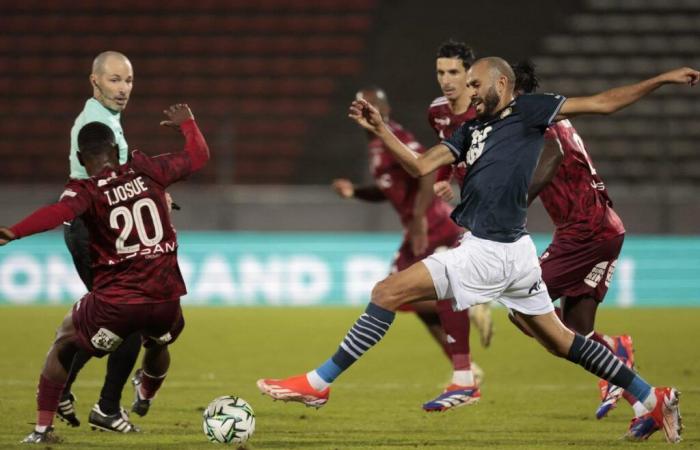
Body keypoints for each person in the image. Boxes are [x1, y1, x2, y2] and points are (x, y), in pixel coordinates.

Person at [258, 57, 696, 443]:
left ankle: (319, 382)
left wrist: (662, 78)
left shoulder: (529, 110)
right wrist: (381, 129)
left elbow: (604, 102)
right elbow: (419, 165)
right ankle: (649, 396)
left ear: (501, 84)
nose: (468, 91)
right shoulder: (471, 130)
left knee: (385, 292)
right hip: (514, 253)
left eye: (474, 83)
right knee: (563, 342)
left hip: (490, 252)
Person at [1, 103, 210, 444]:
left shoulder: (86, 190)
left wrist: (14, 231)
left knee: (65, 339)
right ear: (116, 149)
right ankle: (145, 392)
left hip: (120, 303)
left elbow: (58, 213)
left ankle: (43, 429)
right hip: (167, 297)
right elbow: (197, 157)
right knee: (159, 341)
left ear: (83, 160)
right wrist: (188, 123)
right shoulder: (147, 169)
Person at [332, 86, 481, 411]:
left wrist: (417, 219)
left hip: (430, 227)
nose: (362, 112)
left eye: (368, 107)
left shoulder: (394, 135)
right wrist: (354, 191)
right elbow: (387, 189)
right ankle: (465, 367)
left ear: (383, 111)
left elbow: (425, 170)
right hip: (418, 229)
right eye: (358, 107)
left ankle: (466, 307)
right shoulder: (376, 146)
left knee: (395, 296)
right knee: (409, 303)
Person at [511, 60, 640, 423]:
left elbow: (553, 154)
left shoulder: (528, 113)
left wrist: (516, 200)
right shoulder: (550, 114)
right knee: (577, 334)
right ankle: (643, 399)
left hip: (585, 231)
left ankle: (616, 356)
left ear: (508, 88)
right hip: (602, 228)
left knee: (524, 308)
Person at [59, 50, 144, 432]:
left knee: (113, 321)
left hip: (99, 230)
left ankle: (68, 390)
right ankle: (106, 409)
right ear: (94, 81)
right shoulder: (96, 123)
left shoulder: (108, 119)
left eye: (127, 80)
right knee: (127, 319)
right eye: (114, 80)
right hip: (90, 231)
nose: (123, 88)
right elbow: (105, 184)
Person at [428, 39, 493, 348]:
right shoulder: (437, 111)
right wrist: (443, 177)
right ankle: (479, 304)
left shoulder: (487, 112)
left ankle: (480, 302)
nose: (445, 80)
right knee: (446, 268)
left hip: (495, 206)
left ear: (469, 74)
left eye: (453, 72)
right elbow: (447, 149)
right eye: (441, 72)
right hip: (469, 207)